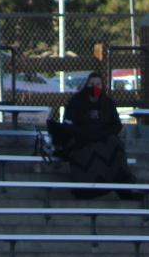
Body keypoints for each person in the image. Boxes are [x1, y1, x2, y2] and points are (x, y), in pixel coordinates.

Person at [59, 72, 139, 200]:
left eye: (98, 84)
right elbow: (68, 124)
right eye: (91, 84)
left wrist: (102, 134)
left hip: (103, 138)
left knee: (116, 146)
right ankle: (85, 189)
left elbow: (116, 125)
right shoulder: (76, 102)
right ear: (86, 85)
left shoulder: (107, 103)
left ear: (102, 86)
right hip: (82, 139)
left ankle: (124, 187)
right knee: (85, 152)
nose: (94, 87)